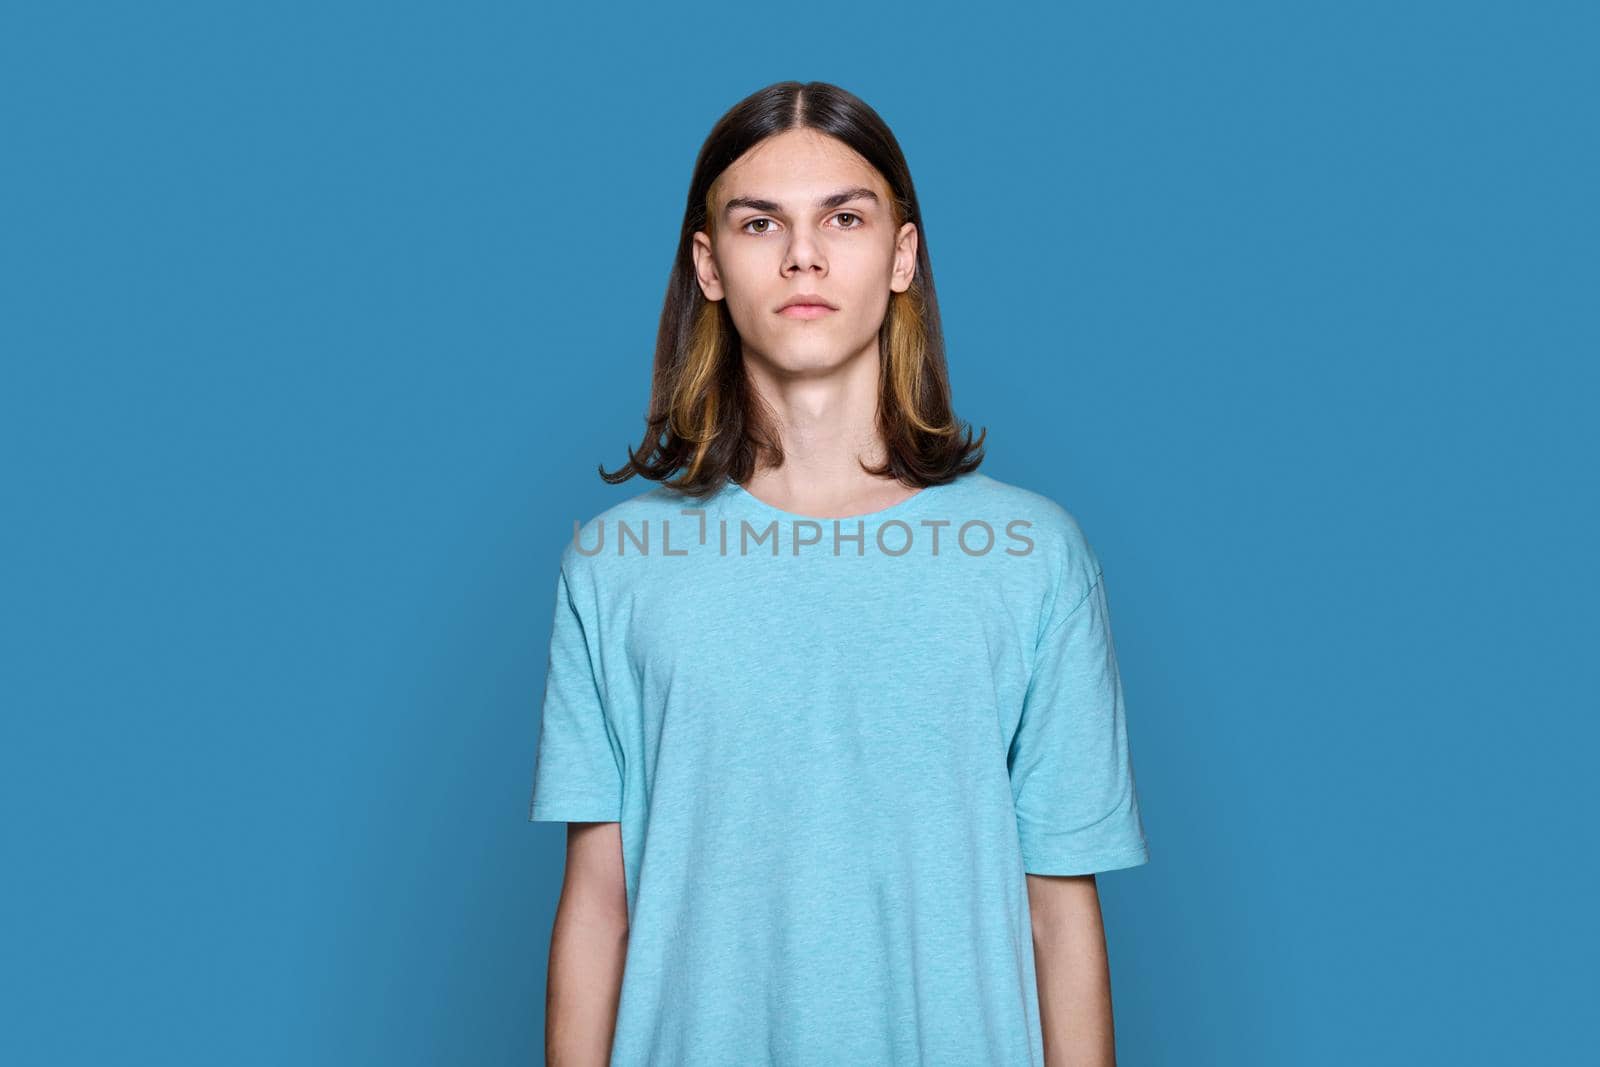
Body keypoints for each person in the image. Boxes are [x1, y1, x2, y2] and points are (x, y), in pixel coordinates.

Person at [528, 80, 1150, 1067]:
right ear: (710, 263)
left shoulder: (1034, 557)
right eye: (759, 221)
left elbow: (1058, 916)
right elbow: (598, 904)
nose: (802, 254)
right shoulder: (613, 563)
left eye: (844, 218)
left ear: (901, 254)